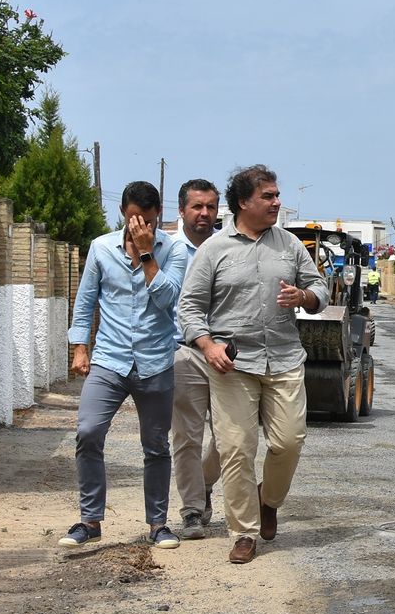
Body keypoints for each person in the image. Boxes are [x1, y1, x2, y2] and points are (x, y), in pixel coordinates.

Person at [178, 165, 329, 564]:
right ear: (244, 202)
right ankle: (243, 532)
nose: (278, 202)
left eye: (277, 195)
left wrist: (306, 298)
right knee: (237, 450)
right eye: (269, 196)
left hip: (283, 359)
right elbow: (190, 307)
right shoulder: (214, 249)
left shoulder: (290, 246)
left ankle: (269, 501)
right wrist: (207, 345)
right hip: (231, 364)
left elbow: (320, 289)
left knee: (288, 441)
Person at [61, 181, 188, 550]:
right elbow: (85, 303)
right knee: (87, 431)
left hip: (155, 363)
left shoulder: (174, 250)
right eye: (135, 219)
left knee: (155, 446)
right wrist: (80, 348)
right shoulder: (101, 248)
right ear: (123, 212)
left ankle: (158, 524)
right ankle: (89, 520)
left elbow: (167, 300)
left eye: (148, 220)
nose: (141, 227)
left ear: (158, 215)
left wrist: (148, 255)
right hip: (109, 360)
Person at [170, 179, 222, 540]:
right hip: (184, 354)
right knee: (186, 436)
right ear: (182, 211)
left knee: (232, 437)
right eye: (197, 207)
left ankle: (203, 482)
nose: (204, 214)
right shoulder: (165, 250)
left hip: (227, 355)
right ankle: (191, 509)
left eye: (211, 207)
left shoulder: (229, 247)